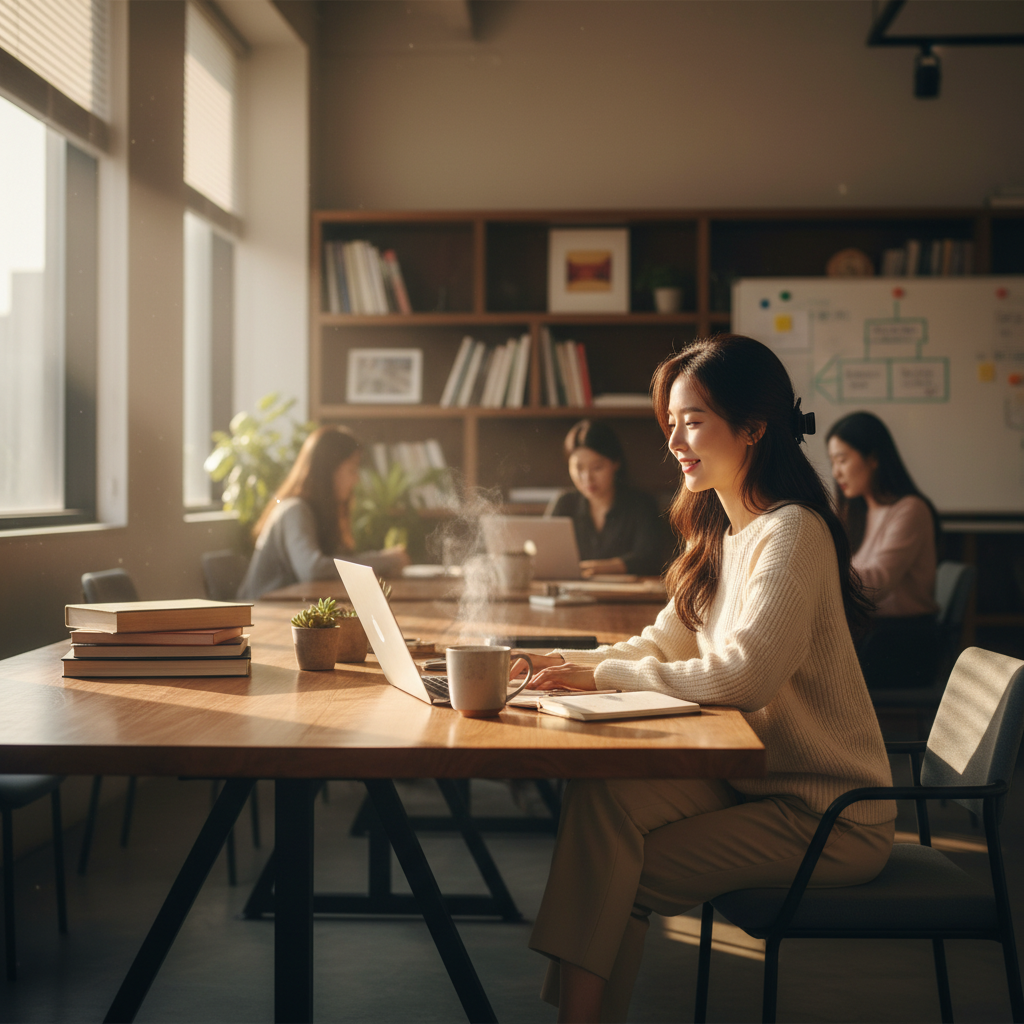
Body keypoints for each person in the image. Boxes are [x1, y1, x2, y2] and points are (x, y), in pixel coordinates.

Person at [515, 335, 895, 1023]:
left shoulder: (794, 533)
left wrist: (602, 680)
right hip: (752, 782)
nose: (676, 441)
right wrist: (569, 668)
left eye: (693, 420)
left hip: (828, 816)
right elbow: (664, 639)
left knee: (611, 872)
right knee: (602, 800)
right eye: (671, 425)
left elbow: (743, 676)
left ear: (753, 428)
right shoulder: (723, 532)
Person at [826, 411, 941, 690]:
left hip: (901, 641)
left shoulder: (910, 509)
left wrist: (821, 570)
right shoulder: (859, 511)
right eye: (832, 462)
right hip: (875, 633)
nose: (835, 472)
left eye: (842, 460)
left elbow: (877, 583)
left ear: (873, 458)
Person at [236, 426, 409, 601]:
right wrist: (385, 560)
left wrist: (384, 561)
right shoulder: (294, 510)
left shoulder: (320, 513)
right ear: (328, 470)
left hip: (292, 610)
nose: (356, 479)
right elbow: (312, 570)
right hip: (263, 615)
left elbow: (340, 560)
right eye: (352, 469)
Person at [549, 419, 672, 577]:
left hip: (628, 598)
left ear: (616, 463)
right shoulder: (565, 503)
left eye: (597, 468)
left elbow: (648, 559)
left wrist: (596, 568)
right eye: (578, 468)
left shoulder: (642, 504)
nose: (587, 478)